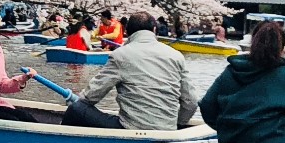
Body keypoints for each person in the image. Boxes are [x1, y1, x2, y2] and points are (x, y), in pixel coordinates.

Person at [65, 12, 199, 132]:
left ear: (128, 33)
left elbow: (90, 97)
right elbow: (191, 102)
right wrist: (176, 124)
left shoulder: (120, 55)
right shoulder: (176, 56)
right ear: (154, 30)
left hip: (131, 129)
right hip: (167, 129)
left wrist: (74, 102)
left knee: (76, 109)